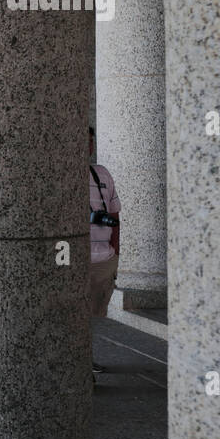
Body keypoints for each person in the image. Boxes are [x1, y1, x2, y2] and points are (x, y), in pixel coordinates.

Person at [88, 127, 120, 376]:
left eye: (90, 142)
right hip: (72, 258)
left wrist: (116, 253)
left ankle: (87, 357)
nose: (87, 146)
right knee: (74, 313)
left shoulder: (102, 175)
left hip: (104, 258)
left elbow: (114, 216)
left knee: (92, 314)